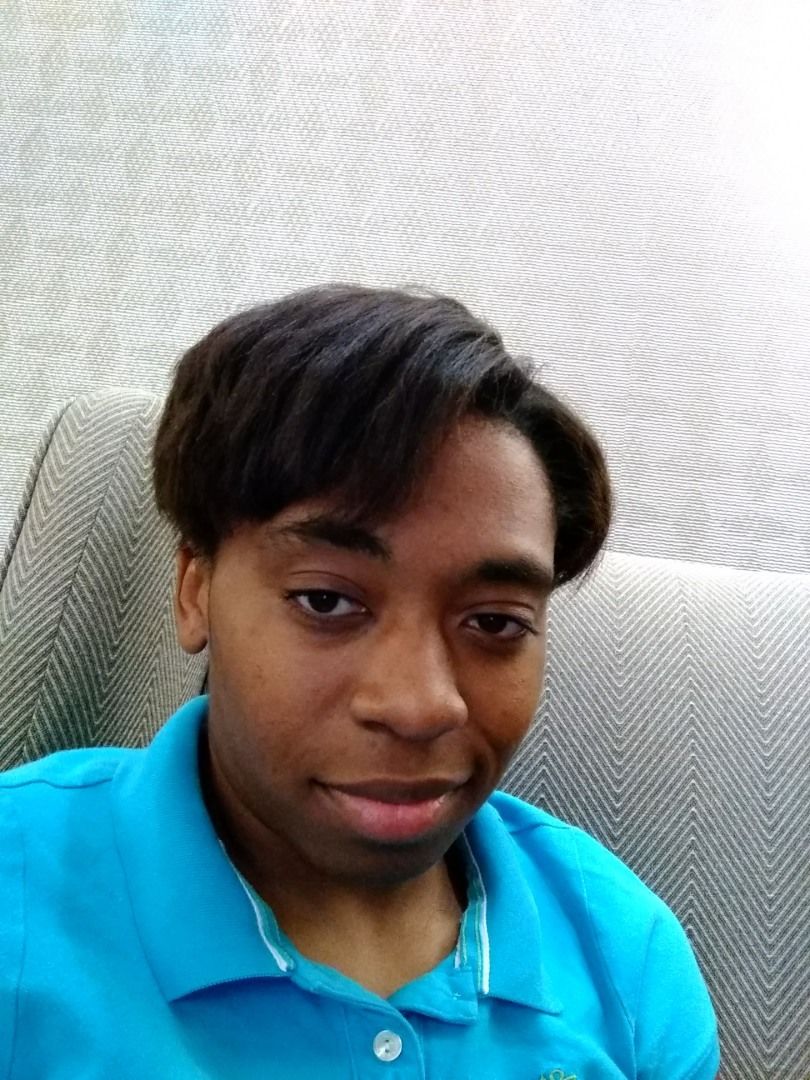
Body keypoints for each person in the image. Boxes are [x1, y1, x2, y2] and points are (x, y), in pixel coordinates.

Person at [0, 285, 719, 1078]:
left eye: (494, 621)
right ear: (194, 589)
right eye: (326, 601)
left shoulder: (627, 962)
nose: (419, 706)